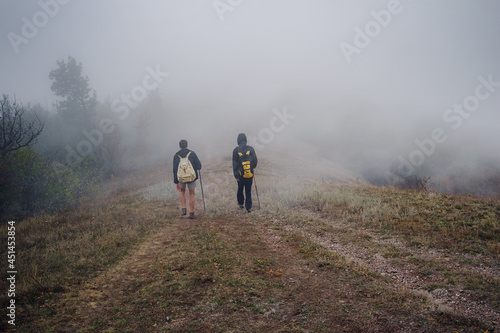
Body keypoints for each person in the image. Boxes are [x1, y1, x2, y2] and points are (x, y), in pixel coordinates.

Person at [173, 139, 202, 219]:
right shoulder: (192, 154)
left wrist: (176, 181)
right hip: (191, 177)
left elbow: (175, 169)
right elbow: (199, 166)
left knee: (182, 191)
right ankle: (192, 213)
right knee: (192, 193)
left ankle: (183, 208)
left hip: (181, 178)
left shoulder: (176, 155)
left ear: (180, 146)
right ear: (187, 145)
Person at [232, 133, 258, 212]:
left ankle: (240, 203)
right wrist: (252, 169)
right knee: (248, 190)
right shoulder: (251, 149)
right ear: (245, 140)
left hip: (240, 174)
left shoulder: (236, 150)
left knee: (240, 188)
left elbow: (234, 164)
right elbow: (255, 160)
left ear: (238, 140)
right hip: (249, 173)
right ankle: (248, 207)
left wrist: (236, 174)